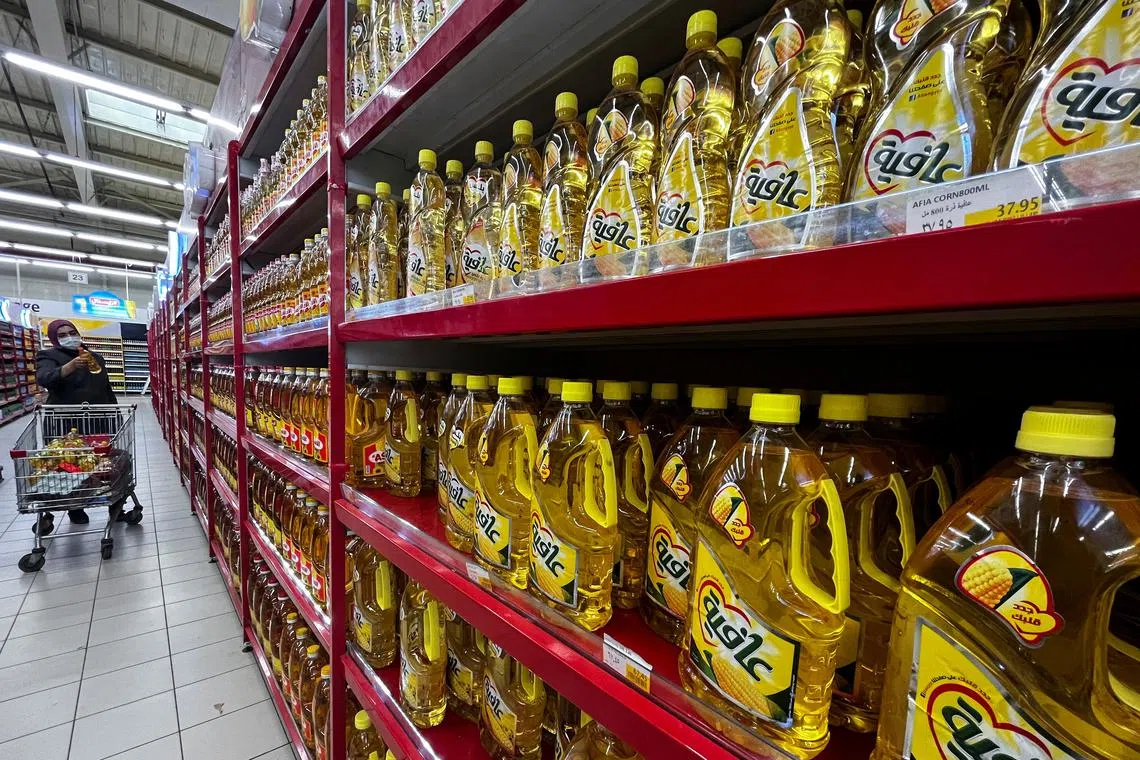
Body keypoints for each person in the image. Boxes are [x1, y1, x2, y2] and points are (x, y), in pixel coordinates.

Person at [35, 319, 118, 525]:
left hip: (98, 420)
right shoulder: (48, 356)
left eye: (71, 332)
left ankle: (114, 504)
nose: (69, 336)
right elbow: (45, 378)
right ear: (54, 338)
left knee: (103, 463)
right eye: (62, 334)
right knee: (71, 465)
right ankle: (75, 507)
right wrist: (70, 366)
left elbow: (106, 387)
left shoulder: (95, 357)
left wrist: (115, 413)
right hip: (66, 422)